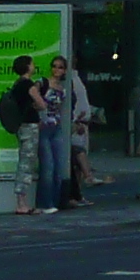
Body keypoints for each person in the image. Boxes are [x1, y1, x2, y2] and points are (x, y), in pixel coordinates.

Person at [0, 54, 44, 215]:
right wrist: (38, 104)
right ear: (27, 67)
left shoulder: (17, 84)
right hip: (29, 126)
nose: (34, 66)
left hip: (20, 127)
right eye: (32, 64)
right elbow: (41, 104)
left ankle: (22, 201)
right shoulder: (28, 85)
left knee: (24, 160)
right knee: (27, 162)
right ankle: (22, 203)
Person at [46, 53, 89, 207]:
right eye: (54, 66)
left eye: (61, 67)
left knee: (61, 162)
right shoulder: (44, 83)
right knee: (50, 163)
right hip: (47, 126)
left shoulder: (65, 87)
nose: (57, 69)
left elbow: (67, 108)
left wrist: (75, 121)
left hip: (58, 126)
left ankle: (63, 197)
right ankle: (54, 199)